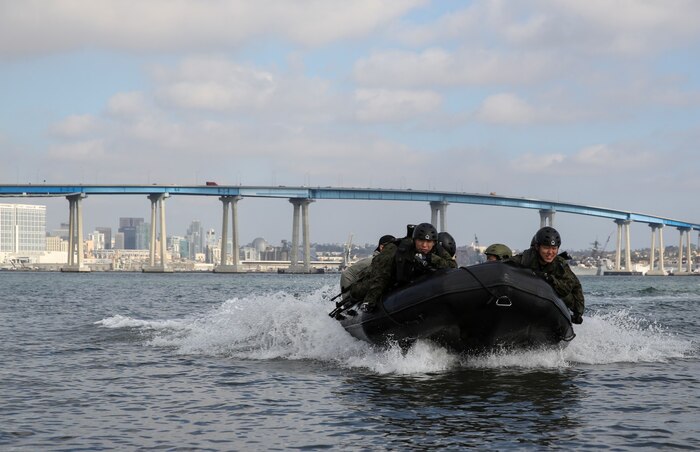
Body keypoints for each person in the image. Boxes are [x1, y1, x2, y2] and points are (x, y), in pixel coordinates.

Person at [361, 223, 457, 312]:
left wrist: (431, 258)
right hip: (391, 280)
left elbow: (452, 265)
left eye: (428, 242)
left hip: (417, 285)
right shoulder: (399, 250)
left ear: (434, 243)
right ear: (414, 240)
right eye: (421, 241)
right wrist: (370, 300)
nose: (424, 245)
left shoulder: (437, 250)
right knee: (359, 290)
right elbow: (381, 275)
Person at [507, 226, 585, 324]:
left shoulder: (560, 264)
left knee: (566, 296)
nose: (550, 252)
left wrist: (578, 313)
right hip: (526, 297)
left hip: (551, 301)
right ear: (537, 247)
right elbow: (503, 267)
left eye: (554, 248)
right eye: (546, 248)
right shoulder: (525, 259)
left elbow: (573, 286)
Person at [340, 234, 395, 300]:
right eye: (391, 247)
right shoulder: (371, 261)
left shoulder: (391, 261)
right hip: (355, 286)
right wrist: (348, 298)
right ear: (381, 247)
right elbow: (347, 274)